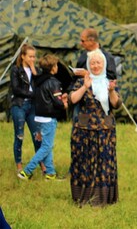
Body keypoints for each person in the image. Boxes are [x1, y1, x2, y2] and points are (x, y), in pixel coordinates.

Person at [69, 49, 121, 206]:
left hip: (105, 130)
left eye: (99, 62)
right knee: (84, 163)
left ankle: (103, 197)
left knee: (104, 163)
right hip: (85, 130)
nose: (96, 65)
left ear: (104, 64)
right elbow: (72, 99)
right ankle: (82, 196)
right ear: (88, 65)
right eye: (93, 63)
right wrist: (85, 87)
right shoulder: (82, 81)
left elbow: (116, 104)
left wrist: (111, 91)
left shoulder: (108, 82)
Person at [17, 54, 68, 180]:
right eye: (56, 65)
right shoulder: (54, 82)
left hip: (38, 117)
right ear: (53, 68)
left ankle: (50, 173)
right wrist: (65, 103)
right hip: (49, 119)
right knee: (46, 147)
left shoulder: (38, 81)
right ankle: (27, 171)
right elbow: (57, 102)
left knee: (46, 145)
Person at [10, 43, 44, 173]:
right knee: (19, 135)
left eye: (34, 57)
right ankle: (19, 165)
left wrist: (33, 69)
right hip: (19, 104)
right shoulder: (16, 70)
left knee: (37, 135)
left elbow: (41, 82)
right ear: (23, 56)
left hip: (33, 106)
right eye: (30, 56)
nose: (33, 59)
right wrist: (33, 94)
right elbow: (16, 89)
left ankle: (42, 165)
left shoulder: (36, 70)